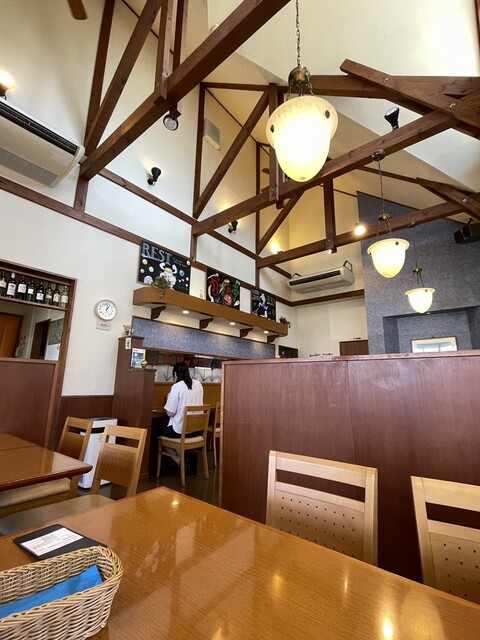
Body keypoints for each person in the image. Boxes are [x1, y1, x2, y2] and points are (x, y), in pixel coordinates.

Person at [161, 361, 204, 438]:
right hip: (197, 430)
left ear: (175, 374)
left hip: (180, 431)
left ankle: (176, 448)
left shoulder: (177, 386)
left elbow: (170, 413)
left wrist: (168, 398)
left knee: (158, 431)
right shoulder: (198, 384)